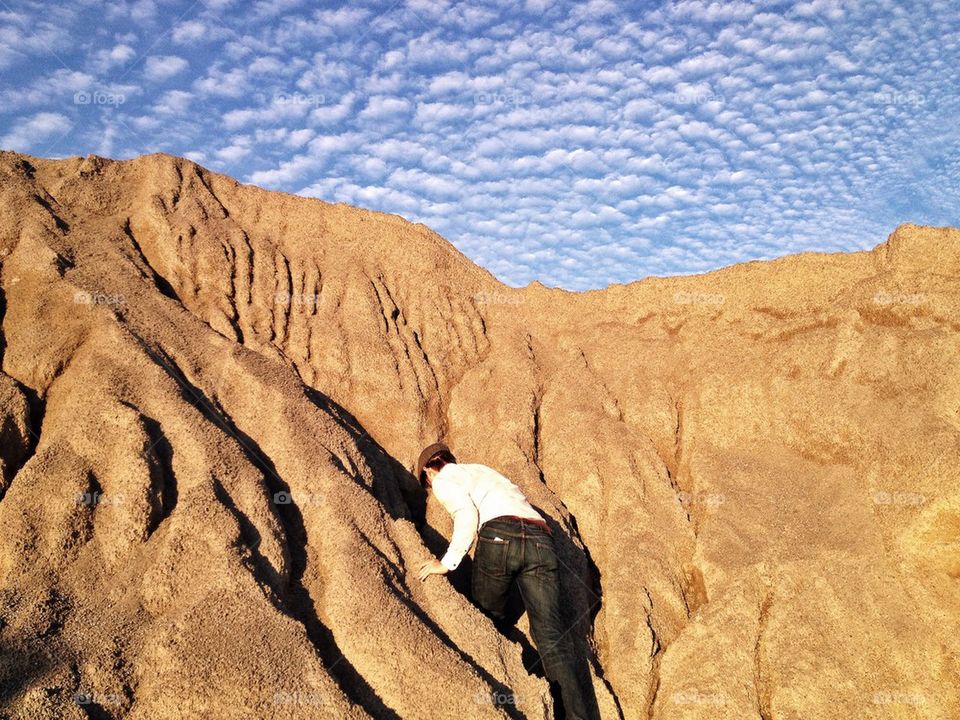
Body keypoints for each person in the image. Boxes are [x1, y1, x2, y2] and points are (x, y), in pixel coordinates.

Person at [414, 442, 600, 720]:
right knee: (552, 636)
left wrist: (446, 562)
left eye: (426, 482)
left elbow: (466, 514)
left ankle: (506, 692)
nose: (430, 486)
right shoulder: (483, 471)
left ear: (429, 471)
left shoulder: (444, 478)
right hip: (540, 538)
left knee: (484, 618)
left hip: (500, 535)